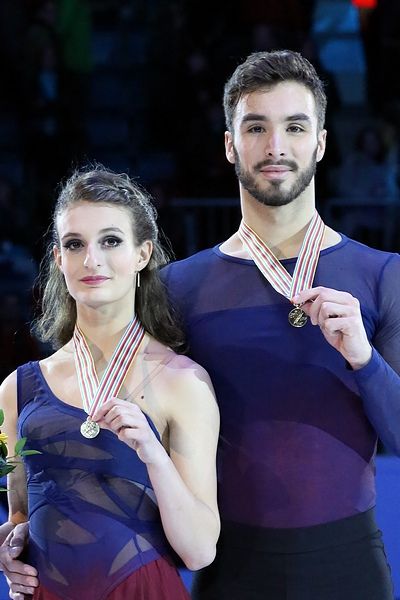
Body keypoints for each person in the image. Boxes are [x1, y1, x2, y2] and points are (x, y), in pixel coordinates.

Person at [2, 49, 400, 600]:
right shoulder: (180, 287)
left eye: (294, 127)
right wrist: (28, 534)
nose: (276, 146)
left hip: (348, 563)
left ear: (322, 142)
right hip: (227, 569)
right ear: (229, 144)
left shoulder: (382, 275)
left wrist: (364, 359)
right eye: (255, 127)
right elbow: (106, 419)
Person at [0, 165, 220, 599]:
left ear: (143, 254)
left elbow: (199, 552)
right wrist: (9, 544)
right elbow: (19, 515)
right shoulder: (14, 390)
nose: (92, 260)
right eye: (75, 245)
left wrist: (154, 455)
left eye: (111, 241)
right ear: (59, 260)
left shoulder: (184, 382)